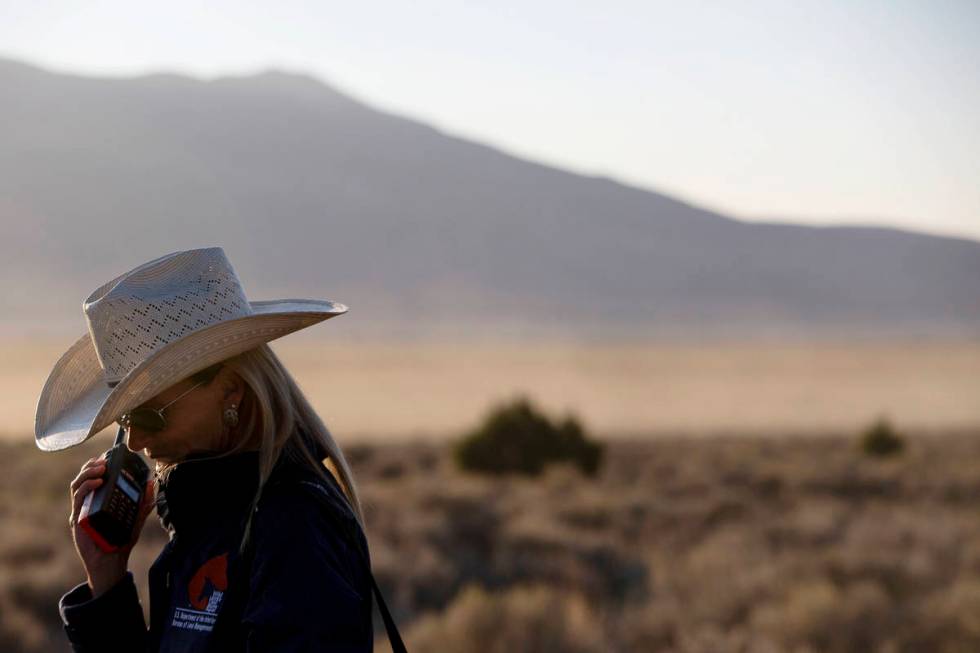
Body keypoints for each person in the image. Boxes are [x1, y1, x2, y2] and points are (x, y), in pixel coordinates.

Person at [34, 247, 406, 652]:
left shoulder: (295, 528)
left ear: (230, 389)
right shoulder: (211, 521)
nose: (137, 442)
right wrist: (106, 582)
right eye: (124, 423)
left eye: (150, 415)